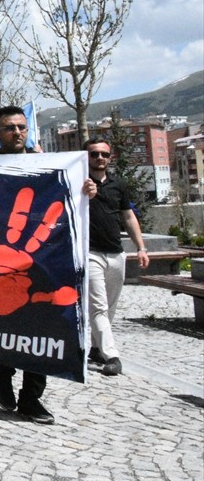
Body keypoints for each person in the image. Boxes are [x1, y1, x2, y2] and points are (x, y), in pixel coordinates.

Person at [0, 105, 95, 424]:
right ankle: (2, 372)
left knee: (42, 327)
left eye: (21, 126)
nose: (17, 132)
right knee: (6, 326)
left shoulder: (49, 164)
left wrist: (87, 189)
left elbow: (71, 197)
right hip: (0, 260)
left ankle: (32, 399)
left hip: (43, 258)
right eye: (9, 127)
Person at [85, 137, 149, 376]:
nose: (99, 158)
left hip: (116, 253)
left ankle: (95, 348)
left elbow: (129, 216)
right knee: (98, 305)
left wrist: (140, 247)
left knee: (110, 305)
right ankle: (112, 355)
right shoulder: (78, 181)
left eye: (104, 154)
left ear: (110, 158)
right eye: (94, 154)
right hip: (90, 252)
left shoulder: (118, 184)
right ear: (86, 157)